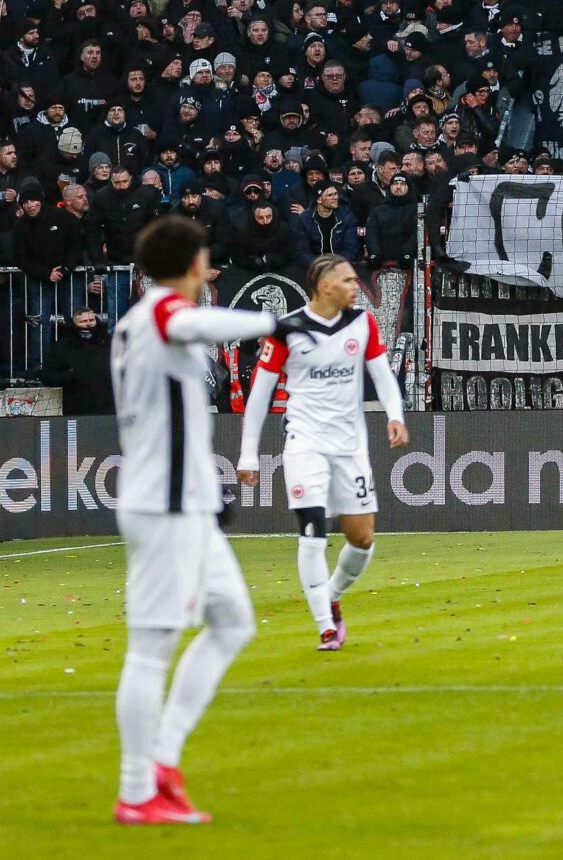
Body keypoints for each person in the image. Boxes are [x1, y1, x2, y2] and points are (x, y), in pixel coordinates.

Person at [109, 214, 284, 825]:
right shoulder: (160, 313)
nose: (210, 273)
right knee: (152, 647)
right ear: (190, 268)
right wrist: (278, 320)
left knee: (233, 622)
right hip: (163, 504)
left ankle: (162, 763)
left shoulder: (148, 323)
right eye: (205, 262)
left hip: (187, 502)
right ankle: (136, 792)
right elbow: (200, 322)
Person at [234, 255, 409, 652]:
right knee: (312, 531)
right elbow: (259, 394)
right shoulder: (288, 328)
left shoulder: (362, 323)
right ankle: (325, 626)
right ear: (324, 286)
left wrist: (395, 416)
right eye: (348, 281)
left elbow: (381, 373)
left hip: (350, 445)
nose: (355, 286)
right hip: (305, 441)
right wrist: (248, 454)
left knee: (362, 539)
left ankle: (331, 594)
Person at [41, 303, 117, 416]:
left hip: (107, 408)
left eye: (91, 320)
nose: (88, 324)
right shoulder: (62, 347)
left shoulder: (110, 343)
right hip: (76, 407)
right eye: (83, 321)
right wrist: (72, 376)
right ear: (74, 323)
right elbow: (48, 376)